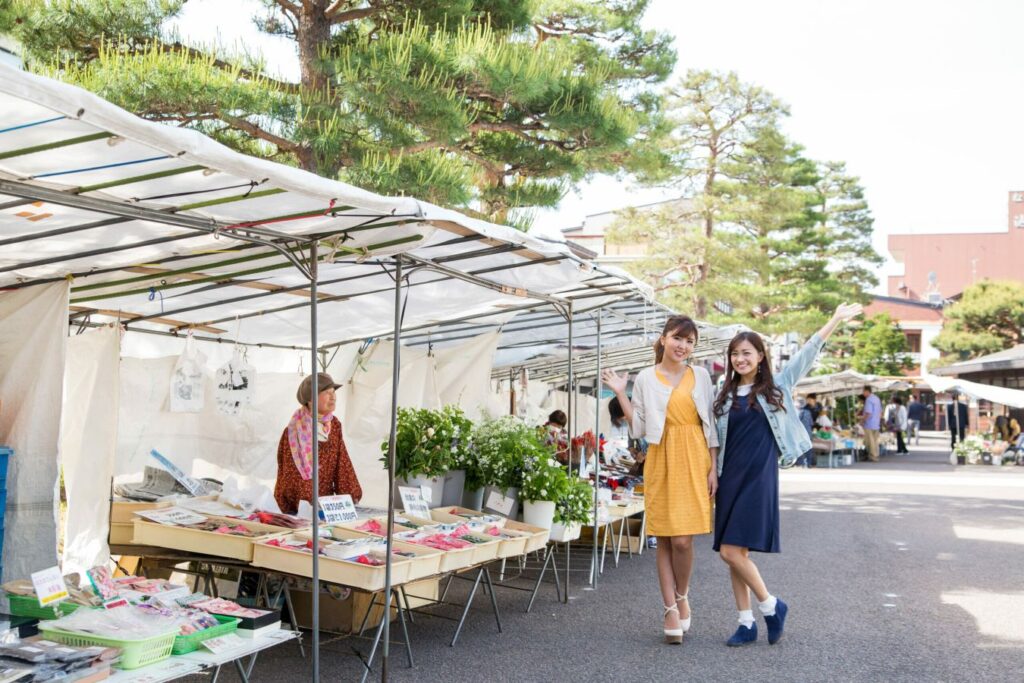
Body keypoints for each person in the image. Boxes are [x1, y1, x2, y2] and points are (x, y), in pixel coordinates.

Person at [712, 303, 862, 648]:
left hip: (758, 477)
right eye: (735, 354)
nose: (740, 359)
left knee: (731, 552)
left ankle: (771, 605)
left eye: (746, 353)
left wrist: (835, 320)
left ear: (761, 356)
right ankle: (746, 622)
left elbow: (807, 353)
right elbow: (714, 441)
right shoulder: (724, 394)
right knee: (735, 553)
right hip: (729, 477)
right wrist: (712, 473)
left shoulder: (777, 386)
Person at [602, 315, 719, 645]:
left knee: (684, 539)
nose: (683, 346)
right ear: (664, 338)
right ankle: (669, 607)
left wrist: (713, 468)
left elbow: (710, 424)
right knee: (665, 538)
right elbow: (638, 427)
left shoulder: (701, 376)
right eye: (678, 338)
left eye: (690, 341)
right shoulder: (645, 377)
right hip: (662, 455)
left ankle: (682, 596)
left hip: (695, 456)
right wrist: (620, 393)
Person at [274, 373, 362, 514]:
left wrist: (349, 496)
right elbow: (291, 474)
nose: (333, 397)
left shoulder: (334, 425)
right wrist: (307, 503)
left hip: (327, 506)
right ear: (310, 399)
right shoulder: (294, 431)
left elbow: (342, 462)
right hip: (300, 508)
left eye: (333, 392)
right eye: (327, 392)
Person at [860, 386, 883, 462]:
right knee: (875, 441)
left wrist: (862, 421)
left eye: (863, 391)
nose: (863, 393)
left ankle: (873, 456)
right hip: (876, 423)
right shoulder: (877, 398)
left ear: (867, 391)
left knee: (870, 441)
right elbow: (880, 412)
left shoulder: (869, 399)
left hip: (869, 423)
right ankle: (875, 455)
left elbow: (868, 413)